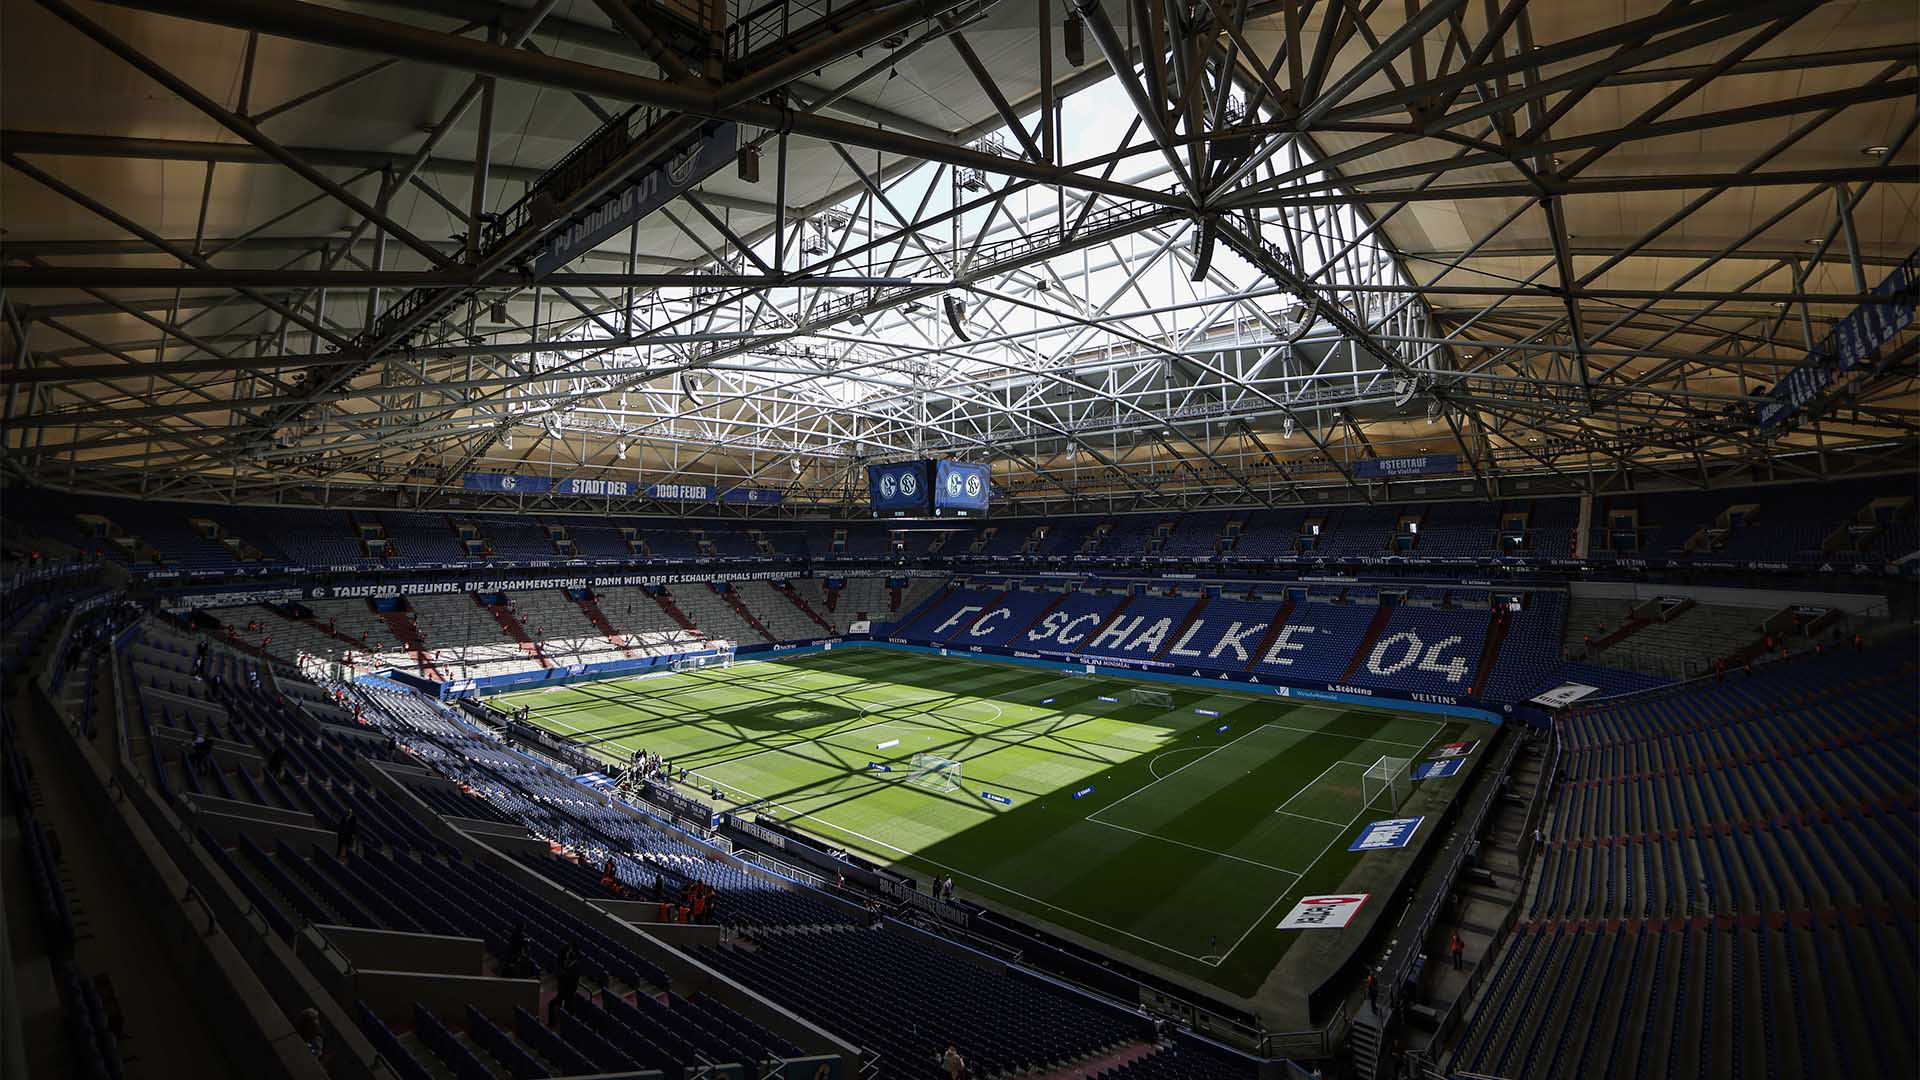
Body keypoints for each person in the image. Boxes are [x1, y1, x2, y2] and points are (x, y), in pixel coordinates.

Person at [550, 939, 582, 1026]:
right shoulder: (566, 951)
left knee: (566, 1005)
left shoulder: (576, 964)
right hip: (563, 986)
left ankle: (563, 1024)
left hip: (568, 988)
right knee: (562, 1004)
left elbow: (573, 978)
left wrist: (564, 974)